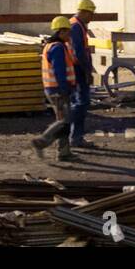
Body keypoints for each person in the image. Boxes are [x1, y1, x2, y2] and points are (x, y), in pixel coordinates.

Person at [31, 16, 77, 162]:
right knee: (65, 120)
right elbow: (59, 72)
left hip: (53, 89)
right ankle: (42, 141)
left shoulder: (52, 46)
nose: (69, 35)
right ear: (60, 32)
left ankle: (63, 152)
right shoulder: (57, 48)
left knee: (64, 121)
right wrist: (65, 89)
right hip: (58, 90)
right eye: (67, 32)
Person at [68, 0, 96, 148]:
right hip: (78, 69)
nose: (92, 17)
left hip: (76, 68)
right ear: (84, 12)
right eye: (91, 14)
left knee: (77, 103)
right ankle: (76, 137)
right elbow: (78, 52)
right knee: (81, 102)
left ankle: (73, 137)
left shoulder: (76, 25)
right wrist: (87, 71)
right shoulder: (76, 27)